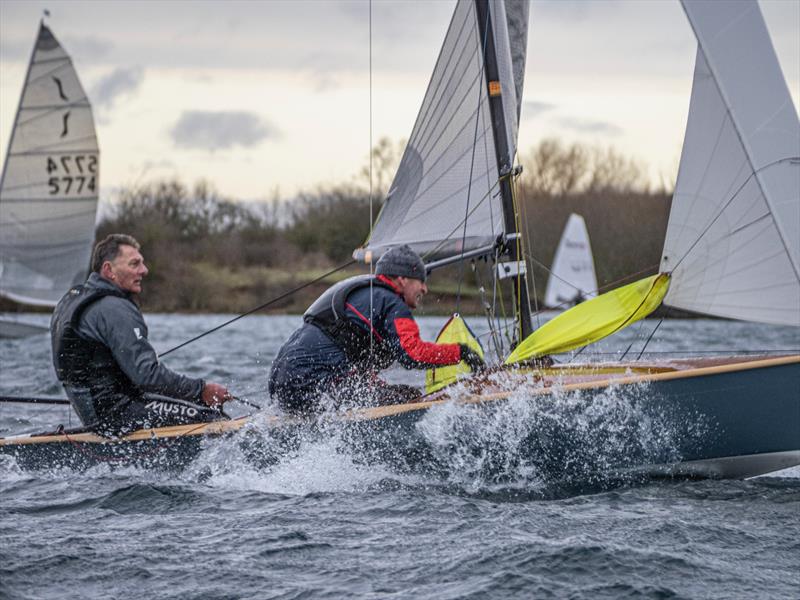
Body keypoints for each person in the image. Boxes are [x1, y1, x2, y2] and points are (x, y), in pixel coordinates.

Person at [51, 233, 233, 437]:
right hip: (116, 414)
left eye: (142, 263)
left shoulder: (72, 300)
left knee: (192, 403)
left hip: (97, 414)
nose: (144, 270)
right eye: (134, 264)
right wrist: (200, 390)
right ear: (109, 270)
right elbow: (147, 375)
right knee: (212, 419)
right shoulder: (114, 308)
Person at [268, 244, 485, 414]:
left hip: (281, 384)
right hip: (311, 384)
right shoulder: (392, 303)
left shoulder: (368, 294)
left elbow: (344, 361)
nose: (425, 289)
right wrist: (461, 352)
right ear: (402, 279)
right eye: (421, 281)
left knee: (390, 392)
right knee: (406, 396)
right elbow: (412, 354)